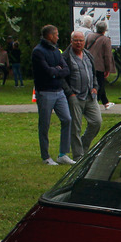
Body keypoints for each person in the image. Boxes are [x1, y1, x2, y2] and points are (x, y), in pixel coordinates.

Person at [31, 24, 74, 165]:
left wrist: (56, 72)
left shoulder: (56, 50)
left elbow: (66, 69)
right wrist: (56, 71)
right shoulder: (38, 52)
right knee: (45, 124)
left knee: (67, 119)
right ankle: (46, 156)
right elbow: (46, 71)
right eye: (56, 34)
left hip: (59, 91)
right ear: (49, 36)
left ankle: (63, 154)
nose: (58, 37)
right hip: (45, 92)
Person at [64, 29, 101, 161]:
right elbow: (63, 78)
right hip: (75, 97)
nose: (78, 43)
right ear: (71, 41)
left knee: (96, 122)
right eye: (76, 40)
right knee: (76, 127)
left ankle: (84, 147)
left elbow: (93, 73)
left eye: (81, 40)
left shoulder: (88, 55)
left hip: (90, 96)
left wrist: (95, 87)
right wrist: (70, 94)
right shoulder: (66, 57)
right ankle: (78, 156)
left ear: (84, 42)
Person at [86, 20, 118, 104]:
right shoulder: (105, 40)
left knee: (97, 84)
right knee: (99, 84)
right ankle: (94, 102)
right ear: (105, 30)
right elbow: (107, 55)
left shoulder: (89, 36)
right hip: (99, 66)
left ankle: (105, 102)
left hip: (89, 63)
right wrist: (108, 69)